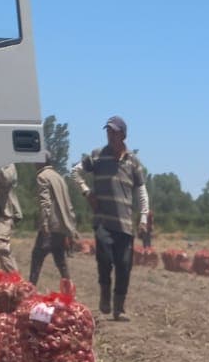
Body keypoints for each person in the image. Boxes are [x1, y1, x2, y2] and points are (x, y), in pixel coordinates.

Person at [76, 116, 151, 320]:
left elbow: (141, 191)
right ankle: (105, 297)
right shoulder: (97, 156)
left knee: (124, 265)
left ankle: (119, 307)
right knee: (105, 260)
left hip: (125, 223)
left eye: (114, 132)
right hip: (103, 221)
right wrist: (87, 192)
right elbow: (75, 172)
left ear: (123, 135)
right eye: (108, 131)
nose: (110, 135)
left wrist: (143, 218)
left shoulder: (133, 162)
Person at [29, 153, 79, 286]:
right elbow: (68, 204)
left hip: (50, 226)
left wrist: (44, 224)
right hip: (62, 227)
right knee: (61, 263)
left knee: (36, 260)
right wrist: (72, 228)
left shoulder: (42, 176)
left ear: (40, 162)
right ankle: (69, 292)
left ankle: (30, 292)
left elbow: (45, 203)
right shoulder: (59, 177)